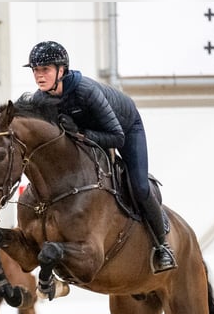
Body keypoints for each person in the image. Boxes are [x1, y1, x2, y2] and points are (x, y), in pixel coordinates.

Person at [24, 40, 177, 274]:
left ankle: (162, 245)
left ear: (61, 70)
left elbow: (116, 137)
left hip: (125, 128)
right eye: (35, 70)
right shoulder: (39, 99)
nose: (39, 76)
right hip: (91, 133)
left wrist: (80, 133)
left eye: (44, 70)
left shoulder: (86, 91)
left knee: (138, 185)